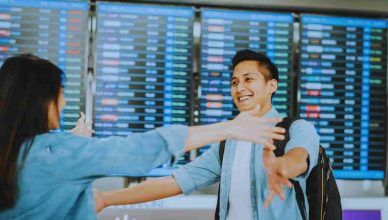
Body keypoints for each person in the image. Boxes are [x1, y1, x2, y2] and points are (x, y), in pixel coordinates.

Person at [0, 54, 286, 219]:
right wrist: (229, 127)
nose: (63, 103)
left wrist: (106, 196)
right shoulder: (56, 153)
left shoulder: (22, 151)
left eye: (249, 80)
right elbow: (140, 151)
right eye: (60, 93)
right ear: (39, 99)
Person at [94, 49, 320, 220]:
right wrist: (106, 199)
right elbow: (177, 181)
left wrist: (281, 168)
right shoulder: (228, 144)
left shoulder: (296, 129)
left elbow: (300, 159)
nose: (239, 87)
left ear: (272, 86)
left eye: (249, 79)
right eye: (234, 82)